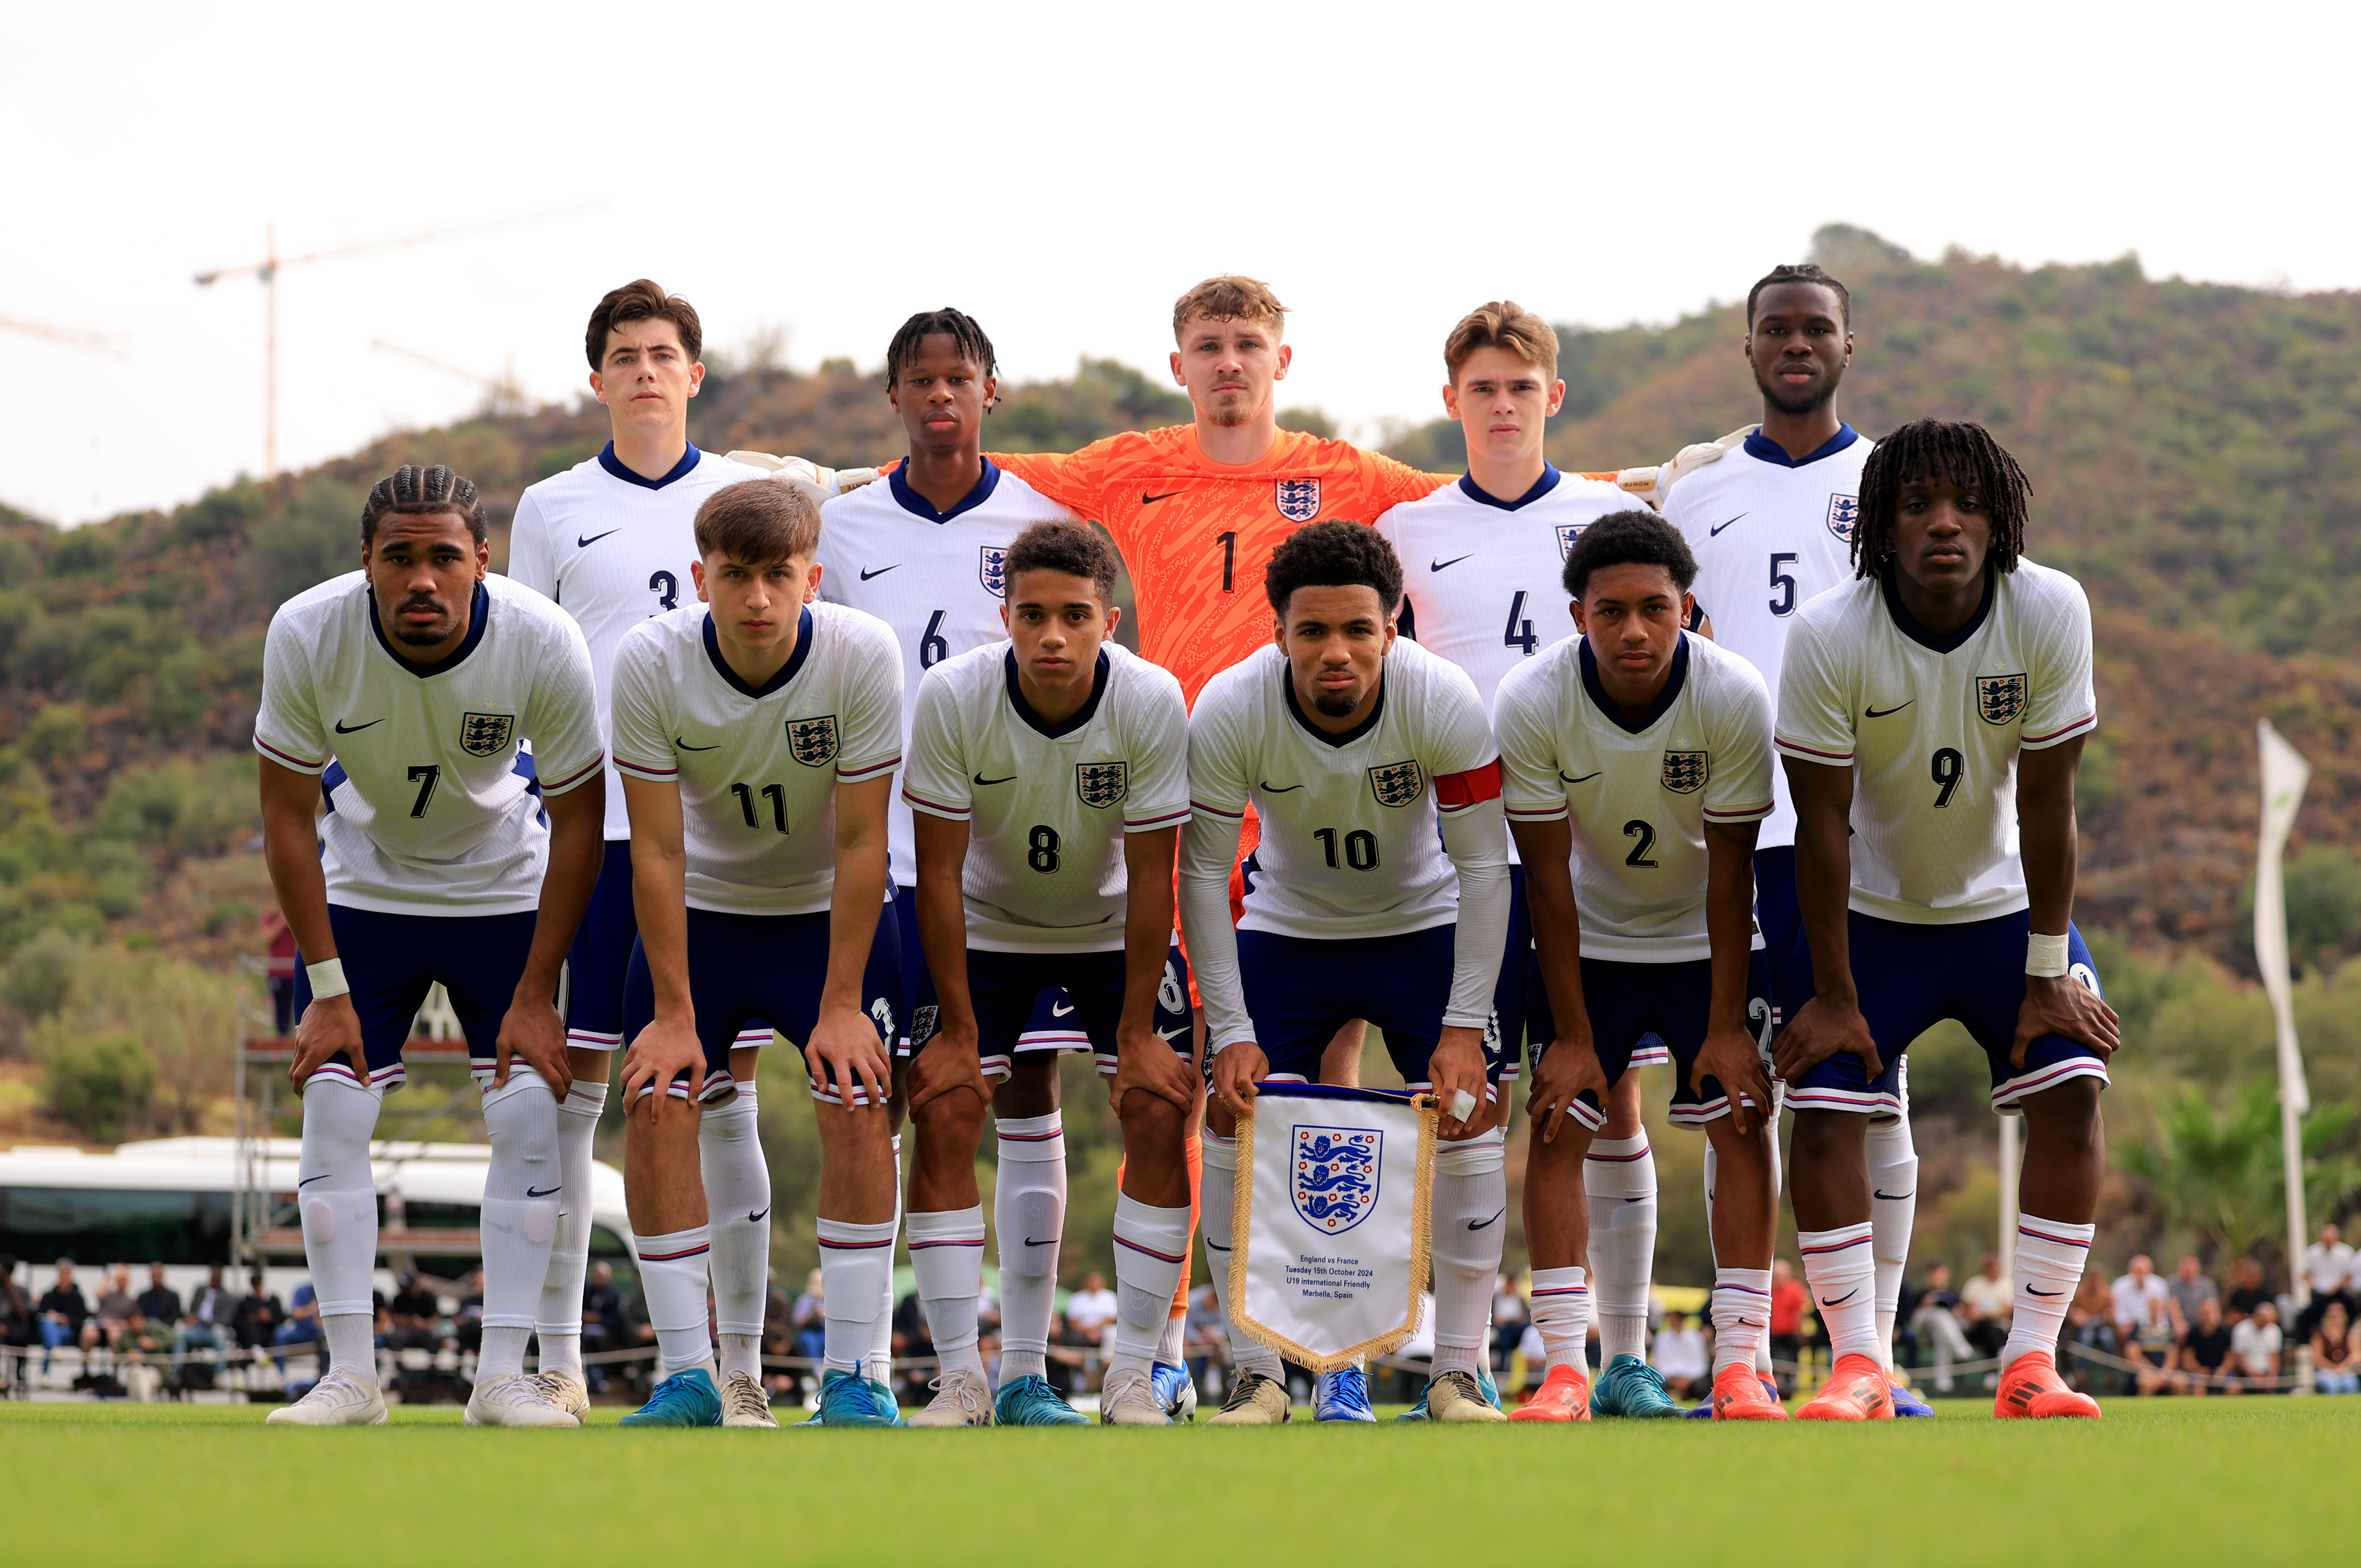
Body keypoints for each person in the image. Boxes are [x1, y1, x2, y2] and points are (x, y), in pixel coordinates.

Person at [1773, 419, 2118, 1421]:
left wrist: (2048, 966)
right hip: (1868, 920)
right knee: (1825, 1102)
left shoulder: (2047, 606)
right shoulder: (1830, 631)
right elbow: (1820, 824)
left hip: (2002, 913)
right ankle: (1856, 1365)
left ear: (1998, 519)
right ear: (1876, 522)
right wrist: (1833, 995)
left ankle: (2030, 1363)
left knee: (2070, 1089)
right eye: (1915, 503)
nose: (1942, 523)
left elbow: (2050, 807)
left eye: (1965, 503)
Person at [1376, 303, 1682, 1419]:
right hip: (1464, 858)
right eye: (1481, 388)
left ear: (1554, 398)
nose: (1501, 406)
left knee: (1612, 1095)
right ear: (1451, 400)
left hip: (1598, 852)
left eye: (1521, 388)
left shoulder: (1614, 514)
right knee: (1477, 1108)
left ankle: (1624, 1356)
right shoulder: (1409, 528)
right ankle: (1478, 1363)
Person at [254, 464, 606, 1428]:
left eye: (443, 557)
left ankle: (501, 1378)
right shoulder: (307, 630)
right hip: (362, 895)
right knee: (332, 1109)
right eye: (398, 558)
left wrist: (538, 992)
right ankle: (350, 1377)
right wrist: (325, 990)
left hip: (504, 895)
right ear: (364, 562)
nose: (421, 579)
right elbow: (285, 815)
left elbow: (581, 821)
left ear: (481, 562)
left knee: (530, 1116)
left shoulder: (541, 637)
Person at [506, 281, 785, 1413]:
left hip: (726, 843)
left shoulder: (747, 493)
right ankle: (561, 1359)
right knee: (574, 1099)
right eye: (623, 355)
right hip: (600, 832)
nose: (645, 371)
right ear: (598, 378)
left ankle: (745, 1368)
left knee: (724, 1092)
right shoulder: (551, 505)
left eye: (664, 353)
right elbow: (520, 660)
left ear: (695, 373)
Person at [1666, 261, 1934, 1416]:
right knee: (1741, 1090)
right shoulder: (1694, 493)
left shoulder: (1895, 486)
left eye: (1814, 328)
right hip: (1739, 828)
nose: (1794, 344)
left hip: (1869, 830)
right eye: (1774, 328)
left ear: (1847, 346)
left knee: (1877, 1081)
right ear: (1749, 349)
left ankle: (1872, 1358)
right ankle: (1742, 1355)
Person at [1183, 522, 1512, 1425]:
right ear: (1278, 633)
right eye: (1313, 632)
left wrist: (1461, 1025)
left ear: (1391, 629)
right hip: (1289, 932)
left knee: (1471, 1113)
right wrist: (1233, 1033)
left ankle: (1457, 1372)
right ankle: (1257, 1376)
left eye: (1356, 631)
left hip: (1421, 925)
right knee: (1227, 1111)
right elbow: (1200, 874)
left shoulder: (1441, 699)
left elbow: (1486, 868)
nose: (1335, 652)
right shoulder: (1228, 706)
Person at [605, 479, 904, 1429]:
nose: (759, 599)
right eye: (736, 577)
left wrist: (844, 1001)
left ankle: (855, 1373)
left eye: (778, 576)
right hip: (703, 914)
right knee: (657, 1099)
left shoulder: (862, 653)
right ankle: (691, 1375)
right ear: (700, 579)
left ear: (813, 576)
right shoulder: (649, 660)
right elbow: (652, 848)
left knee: (857, 1097)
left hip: (826, 915)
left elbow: (865, 844)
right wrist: (673, 1011)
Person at [897, 520, 1195, 1429]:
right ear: (1005, 617)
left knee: (1154, 1109)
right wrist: (955, 1033)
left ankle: (1133, 1377)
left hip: (1110, 930)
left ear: (1110, 618)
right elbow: (937, 875)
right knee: (944, 1110)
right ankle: (960, 1379)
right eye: (1032, 615)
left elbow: (1154, 874)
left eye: (1074, 615)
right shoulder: (951, 697)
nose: (1052, 637)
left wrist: (1138, 1034)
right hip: (984, 927)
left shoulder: (1149, 698)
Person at [1490, 511, 1783, 1424]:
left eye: (1653, 609)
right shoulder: (1530, 698)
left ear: (1686, 609)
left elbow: (1734, 871)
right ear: (1575, 613)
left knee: (1739, 1118)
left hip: (1709, 943)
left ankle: (1740, 1364)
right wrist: (1571, 1036)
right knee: (1555, 1127)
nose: (1631, 631)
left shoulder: (1731, 694)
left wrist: (1730, 1024)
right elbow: (1542, 877)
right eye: (1609, 610)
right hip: (1589, 941)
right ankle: (1566, 1371)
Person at [2111, 1252, 2173, 1389]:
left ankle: (2162, 1372)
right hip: (2132, 1327)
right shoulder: (2120, 1286)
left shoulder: (2160, 1285)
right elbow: (2119, 1316)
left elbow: (2163, 1314)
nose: (2140, 1274)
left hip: (2154, 1327)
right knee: (2128, 1336)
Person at [1913, 1261, 1975, 1393]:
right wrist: (1925, 1305)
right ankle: (1961, 1348)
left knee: (1941, 1333)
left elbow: (1963, 1316)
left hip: (1946, 1331)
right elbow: (1915, 1320)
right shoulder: (1921, 1294)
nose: (1937, 1277)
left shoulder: (1953, 1294)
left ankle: (1943, 1381)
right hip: (1927, 1330)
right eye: (1934, 1274)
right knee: (1940, 1316)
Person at [2298, 1223, 2355, 1341]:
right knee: (2309, 1313)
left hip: (2338, 1291)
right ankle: (2308, 1339)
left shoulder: (2346, 1252)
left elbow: (2349, 1276)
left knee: (2351, 1303)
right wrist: (2314, 1285)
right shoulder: (2311, 1252)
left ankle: (2349, 1335)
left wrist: (2337, 1287)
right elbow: (2305, 1274)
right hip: (2319, 1291)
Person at [1961, 1252, 2015, 1364]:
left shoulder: (2007, 1285)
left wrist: (1987, 1314)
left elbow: (2009, 1310)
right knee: (1989, 1329)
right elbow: (1971, 1313)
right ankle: (1998, 1356)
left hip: (2003, 1327)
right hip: (1980, 1328)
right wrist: (1992, 1315)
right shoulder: (1974, 1285)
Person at [36, 1260, 88, 1373]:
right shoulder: (49, 1296)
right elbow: (40, 1315)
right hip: (50, 1328)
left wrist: (67, 1320)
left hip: (68, 1331)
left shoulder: (77, 1298)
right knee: (48, 1324)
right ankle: (55, 1349)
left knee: (50, 1334)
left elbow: (82, 1318)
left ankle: (45, 1372)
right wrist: (52, 1316)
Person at [1766, 1257, 1808, 1395]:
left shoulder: (1795, 1289)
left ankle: (1792, 1382)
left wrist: (1799, 1332)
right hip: (1773, 1333)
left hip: (1790, 1333)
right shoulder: (1770, 1289)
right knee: (1773, 1360)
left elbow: (1799, 1312)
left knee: (1792, 1358)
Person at [2176, 1294, 2233, 1394]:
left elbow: (2231, 1357)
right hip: (2199, 1373)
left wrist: (2222, 1371)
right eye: (2204, 1313)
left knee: (2234, 1387)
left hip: (2221, 1372)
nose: (2207, 1316)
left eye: (2209, 1313)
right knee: (2198, 1388)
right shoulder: (2193, 1333)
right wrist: (2198, 1370)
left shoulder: (2225, 1332)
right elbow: (2188, 1357)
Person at [1651, 1310, 1711, 1401]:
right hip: (1668, 1378)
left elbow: (1700, 1362)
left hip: (1691, 1379)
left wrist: (1688, 1379)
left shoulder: (1696, 1336)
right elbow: (1659, 1361)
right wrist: (1672, 1378)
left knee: (1703, 1386)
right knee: (1656, 1384)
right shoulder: (1662, 1336)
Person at [2229, 1299, 2283, 1392]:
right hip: (2246, 1375)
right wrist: (2255, 1376)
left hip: (2268, 1373)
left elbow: (2275, 1356)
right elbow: (2240, 1358)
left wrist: (2272, 1377)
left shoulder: (2275, 1330)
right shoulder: (2241, 1330)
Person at [2310, 1299, 2357, 1394]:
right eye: (2333, 1316)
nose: (2336, 1319)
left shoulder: (2349, 1333)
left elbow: (2356, 1353)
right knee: (2333, 1385)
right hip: (2326, 1370)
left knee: (2351, 1383)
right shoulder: (2320, 1334)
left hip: (2345, 1370)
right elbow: (2317, 1358)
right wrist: (2332, 1368)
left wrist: (2343, 1366)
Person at [2165, 1252, 2218, 1338]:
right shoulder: (2172, 1284)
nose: (2188, 1268)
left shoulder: (2207, 1284)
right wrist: (2179, 1323)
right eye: (2185, 1264)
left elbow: (2212, 1306)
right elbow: (2173, 1306)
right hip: (2183, 1323)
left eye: (2191, 1264)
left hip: (2201, 1322)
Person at [231, 1270, 283, 1352]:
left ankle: (257, 1350)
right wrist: (252, 1318)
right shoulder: (245, 1303)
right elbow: (236, 1322)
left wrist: (270, 1318)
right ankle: (257, 1349)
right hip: (249, 1339)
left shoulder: (273, 1301)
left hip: (269, 1337)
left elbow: (281, 1319)